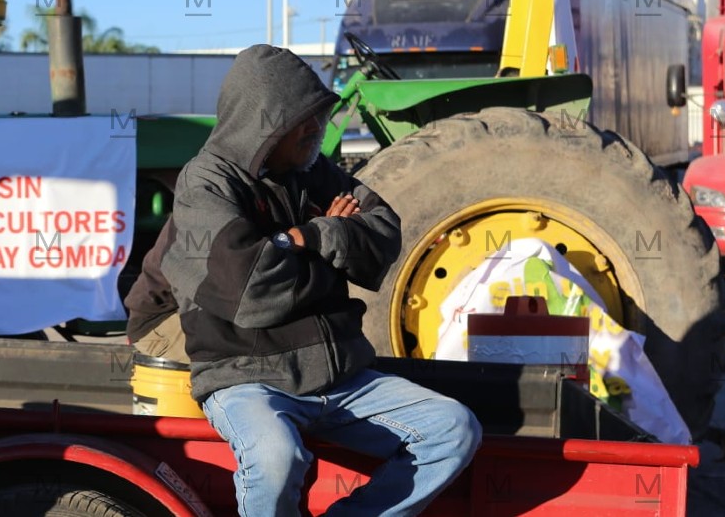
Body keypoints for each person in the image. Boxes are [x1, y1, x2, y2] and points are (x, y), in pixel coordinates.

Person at [125, 44, 481, 516]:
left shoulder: (313, 171)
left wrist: (307, 237)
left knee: (454, 428)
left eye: (318, 114)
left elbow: (383, 232)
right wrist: (326, 243)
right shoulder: (207, 184)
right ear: (264, 124)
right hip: (246, 373)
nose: (317, 127)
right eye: (303, 118)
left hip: (337, 376)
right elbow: (251, 291)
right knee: (275, 458)